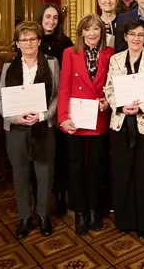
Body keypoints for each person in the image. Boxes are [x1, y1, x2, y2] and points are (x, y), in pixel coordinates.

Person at [104, 20, 144, 237]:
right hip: (121, 123)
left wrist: (140, 108)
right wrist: (121, 107)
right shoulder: (115, 60)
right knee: (124, 173)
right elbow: (109, 89)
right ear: (125, 37)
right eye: (132, 34)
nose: (136, 39)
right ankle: (127, 221)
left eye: (140, 35)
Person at [0, 21, 60, 238]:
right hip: (16, 128)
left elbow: (58, 96)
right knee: (20, 173)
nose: (28, 43)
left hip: (43, 126)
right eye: (23, 40)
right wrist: (15, 118)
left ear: (39, 41)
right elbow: (0, 98)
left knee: (45, 173)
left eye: (32, 39)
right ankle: (24, 216)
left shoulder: (51, 63)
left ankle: (43, 215)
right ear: (17, 43)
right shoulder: (9, 65)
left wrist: (43, 116)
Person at [58, 15, 115, 235]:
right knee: (75, 167)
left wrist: (108, 101)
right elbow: (64, 87)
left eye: (96, 29)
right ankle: (80, 211)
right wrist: (63, 117)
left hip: (98, 116)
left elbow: (112, 85)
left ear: (102, 33)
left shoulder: (110, 54)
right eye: (88, 29)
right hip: (76, 118)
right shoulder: (69, 53)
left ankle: (94, 210)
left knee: (96, 166)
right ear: (81, 32)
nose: (92, 33)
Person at [35, 3, 74, 214]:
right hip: (35, 102)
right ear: (40, 18)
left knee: (60, 151)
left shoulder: (65, 42)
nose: (51, 21)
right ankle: (40, 196)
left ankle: (60, 192)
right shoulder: (31, 39)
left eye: (55, 18)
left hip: (58, 101)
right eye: (48, 17)